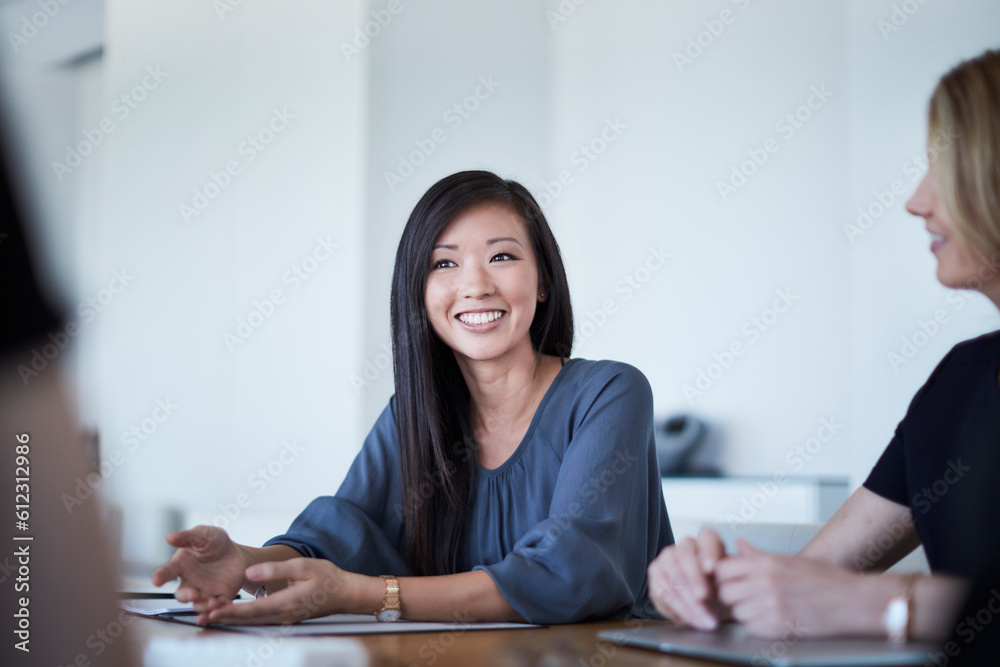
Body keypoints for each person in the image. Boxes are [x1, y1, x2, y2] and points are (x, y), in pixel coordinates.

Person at [153, 170, 674, 625]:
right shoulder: (415, 412)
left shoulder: (610, 393)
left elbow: (569, 575)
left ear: (542, 282)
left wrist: (367, 596)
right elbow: (340, 533)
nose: (474, 285)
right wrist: (245, 564)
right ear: (419, 293)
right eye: (444, 264)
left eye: (502, 256)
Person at [647, 48, 1000, 644]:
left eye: (944, 167)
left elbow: (853, 599)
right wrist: (718, 591)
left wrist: (888, 606)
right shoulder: (960, 383)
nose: (917, 201)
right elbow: (815, 581)